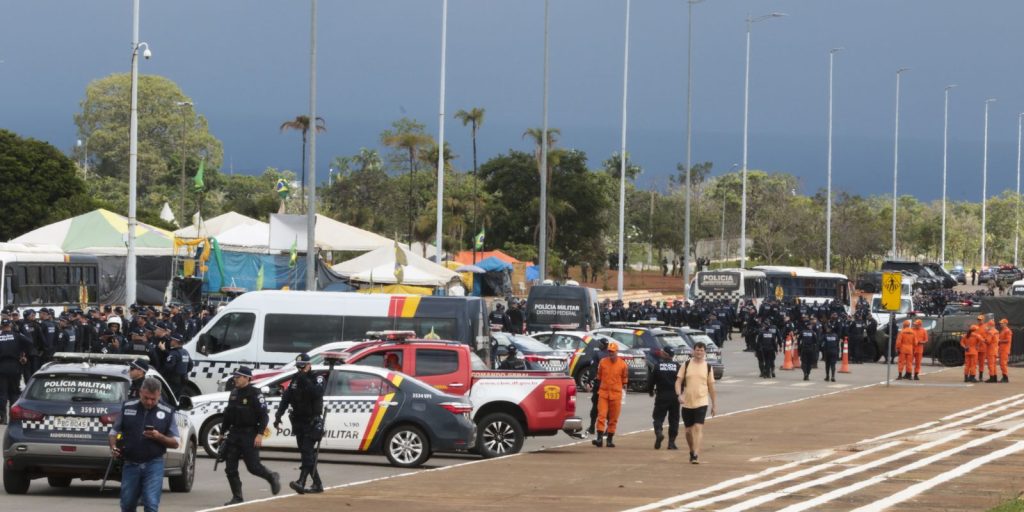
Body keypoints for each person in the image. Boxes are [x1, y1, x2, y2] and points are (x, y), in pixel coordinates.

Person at [109, 377, 180, 512]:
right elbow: (113, 432)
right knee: (127, 504)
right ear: (140, 392)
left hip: (154, 463)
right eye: (146, 398)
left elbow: (176, 443)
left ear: (159, 395)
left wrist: (158, 436)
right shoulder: (127, 407)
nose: (149, 402)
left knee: (151, 503)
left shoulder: (167, 412)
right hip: (130, 463)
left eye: (153, 399)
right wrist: (113, 447)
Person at [220, 366, 281, 505]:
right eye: (235, 377)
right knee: (230, 468)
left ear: (247, 378)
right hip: (234, 434)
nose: (235, 379)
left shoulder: (255, 394)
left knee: (253, 467)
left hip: (249, 434)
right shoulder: (234, 393)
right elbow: (228, 415)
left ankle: (271, 477)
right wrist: (222, 433)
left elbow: (264, 416)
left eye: (238, 377)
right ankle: (237, 497)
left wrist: (260, 434)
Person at [274, 353, 325, 494]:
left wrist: (305, 379)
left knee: (307, 452)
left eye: (303, 366)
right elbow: (286, 398)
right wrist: (278, 415)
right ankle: (317, 484)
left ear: (309, 365)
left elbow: (317, 393)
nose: (300, 370)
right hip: (299, 422)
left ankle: (301, 482)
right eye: (298, 367)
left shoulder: (317, 378)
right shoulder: (295, 379)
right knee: (306, 454)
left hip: (312, 422)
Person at [675, 341, 716, 464]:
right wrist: (679, 395)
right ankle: (691, 450)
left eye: (701, 350)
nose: (699, 352)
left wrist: (714, 405)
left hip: (702, 401)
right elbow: (678, 381)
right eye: (697, 350)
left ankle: (696, 455)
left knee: (698, 427)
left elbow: (711, 387)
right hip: (687, 402)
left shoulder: (708, 367)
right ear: (693, 351)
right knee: (688, 431)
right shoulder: (686, 364)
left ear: (704, 352)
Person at [592, 343, 627, 448]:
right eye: (609, 351)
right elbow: (599, 376)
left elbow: (624, 379)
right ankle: (599, 439)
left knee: (613, 418)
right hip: (603, 393)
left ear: (617, 352)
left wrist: (624, 391)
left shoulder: (623, 365)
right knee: (601, 416)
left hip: (616, 394)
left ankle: (609, 440)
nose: (610, 353)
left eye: (612, 351)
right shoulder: (603, 362)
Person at [647, 346, 680, 450]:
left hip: (662, 396)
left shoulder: (658, 366)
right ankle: (671, 443)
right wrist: (681, 393)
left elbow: (651, 381)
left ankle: (659, 432)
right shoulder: (677, 366)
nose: (661, 353)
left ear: (666, 354)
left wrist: (650, 391)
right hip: (675, 397)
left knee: (658, 418)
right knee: (674, 420)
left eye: (662, 352)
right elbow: (682, 381)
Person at [0, 319, 31, 425]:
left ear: (1, 326)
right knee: (14, 392)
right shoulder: (17, 336)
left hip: (1, 367)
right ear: (10, 325)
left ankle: (3, 417)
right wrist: (23, 353)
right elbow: (30, 342)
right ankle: (13, 417)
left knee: (2, 393)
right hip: (15, 366)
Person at [161, 334, 192, 400]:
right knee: (177, 399)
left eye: (172, 340)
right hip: (183, 379)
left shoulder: (174, 353)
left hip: (172, 381)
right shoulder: (185, 352)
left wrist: (162, 374)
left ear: (175, 341)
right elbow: (190, 365)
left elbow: (168, 367)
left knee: (168, 398)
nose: (171, 341)